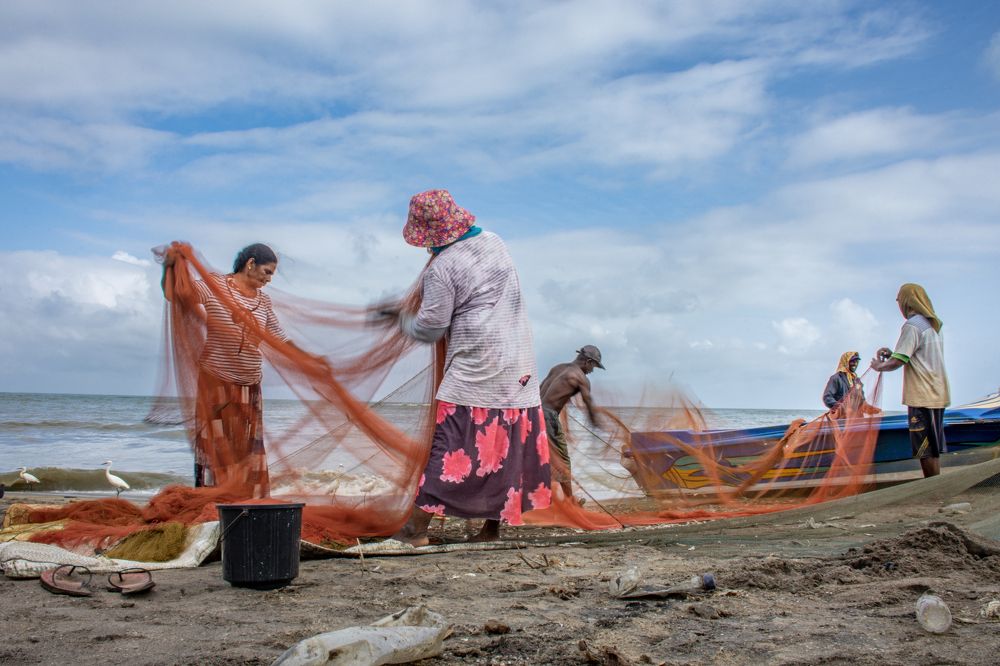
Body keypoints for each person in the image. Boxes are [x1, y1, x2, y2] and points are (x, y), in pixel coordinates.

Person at [382, 189, 551, 546]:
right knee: (502, 448)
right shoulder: (494, 241)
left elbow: (430, 328)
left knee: (450, 444)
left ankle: (415, 531)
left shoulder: (442, 269)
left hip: (478, 365)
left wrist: (400, 319)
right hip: (518, 363)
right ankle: (490, 530)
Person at [161, 242, 287, 497]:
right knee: (216, 446)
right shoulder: (215, 285)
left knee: (246, 448)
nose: (269, 279)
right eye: (267, 271)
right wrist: (170, 267)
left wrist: (310, 361)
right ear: (250, 264)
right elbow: (177, 294)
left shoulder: (263, 300)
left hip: (250, 385)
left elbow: (277, 336)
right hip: (216, 382)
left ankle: (244, 502)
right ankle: (212, 502)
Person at [870, 283, 950, 478]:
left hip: (921, 395)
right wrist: (892, 353)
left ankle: (932, 488)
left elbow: (899, 360)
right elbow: (915, 355)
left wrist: (878, 366)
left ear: (907, 301)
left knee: (925, 448)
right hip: (937, 392)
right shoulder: (933, 326)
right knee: (933, 446)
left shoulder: (912, 326)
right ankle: (936, 486)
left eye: (899, 300)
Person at [539, 346, 605, 502]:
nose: (592, 371)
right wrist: (596, 422)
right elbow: (588, 402)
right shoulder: (581, 378)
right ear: (588, 361)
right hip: (548, 417)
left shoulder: (557, 368)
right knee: (561, 460)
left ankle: (545, 499)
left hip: (533, 414)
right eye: (593, 366)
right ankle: (569, 502)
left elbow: (539, 391)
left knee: (540, 458)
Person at [822, 351, 879, 417]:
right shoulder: (836, 378)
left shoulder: (857, 381)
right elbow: (827, 397)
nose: (855, 364)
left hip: (856, 419)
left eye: (856, 361)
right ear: (845, 362)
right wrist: (841, 407)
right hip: (841, 419)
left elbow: (861, 401)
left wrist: (871, 409)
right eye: (852, 361)